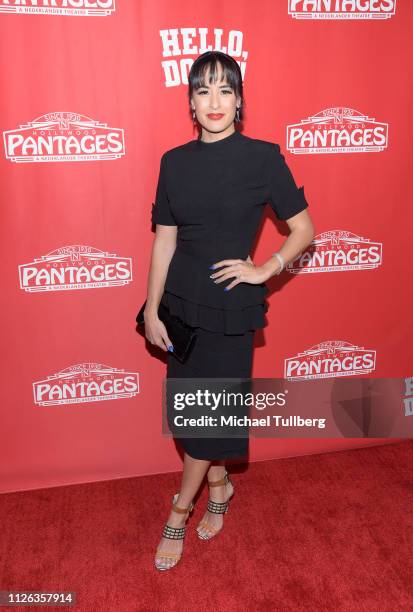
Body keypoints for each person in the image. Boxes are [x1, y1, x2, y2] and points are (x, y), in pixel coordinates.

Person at [143, 50, 315, 570]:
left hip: (231, 312)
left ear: (239, 101)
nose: (214, 101)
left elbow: (304, 229)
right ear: (191, 104)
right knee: (188, 413)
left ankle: (179, 510)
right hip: (180, 309)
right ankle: (219, 480)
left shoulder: (263, 158)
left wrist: (266, 269)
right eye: (203, 91)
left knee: (204, 418)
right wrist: (152, 309)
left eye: (225, 90)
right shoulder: (173, 163)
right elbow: (163, 243)